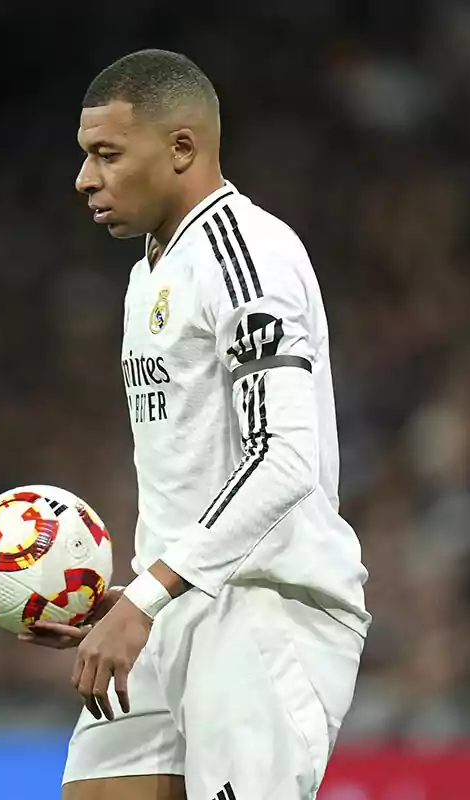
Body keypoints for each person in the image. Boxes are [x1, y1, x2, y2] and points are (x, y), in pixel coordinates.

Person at [19, 50, 371, 800]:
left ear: (182, 148)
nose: (85, 178)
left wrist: (149, 596)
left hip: (266, 611)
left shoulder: (247, 255)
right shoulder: (147, 272)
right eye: (86, 156)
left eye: (106, 154)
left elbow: (282, 458)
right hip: (176, 606)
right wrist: (142, 592)